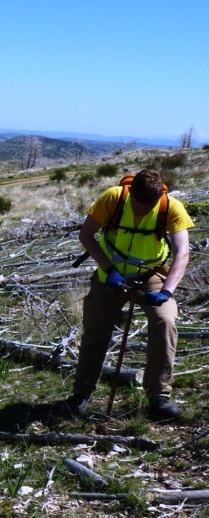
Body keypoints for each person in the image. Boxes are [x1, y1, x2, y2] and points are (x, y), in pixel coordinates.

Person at [63, 169, 193, 420]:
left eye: (149, 207)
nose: (143, 211)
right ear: (130, 192)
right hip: (111, 276)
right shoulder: (113, 198)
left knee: (165, 322)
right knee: (96, 330)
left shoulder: (171, 207)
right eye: (138, 205)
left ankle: (159, 396)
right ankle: (81, 394)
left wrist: (167, 290)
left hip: (152, 275)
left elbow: (182, 253)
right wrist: (109, 269)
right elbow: (86, 235)